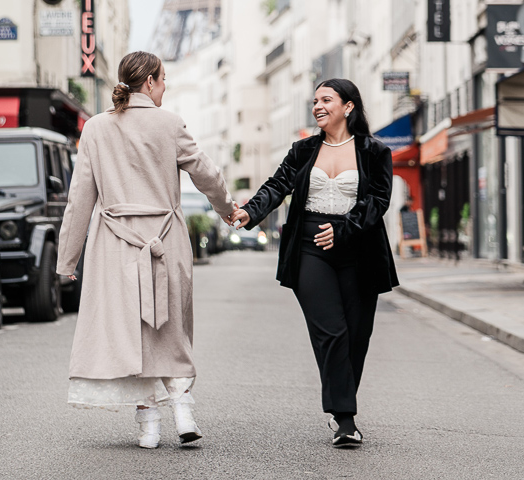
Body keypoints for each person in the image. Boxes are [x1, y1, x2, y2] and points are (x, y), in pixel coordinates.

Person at [56, 50, 237, 449]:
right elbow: (205, 171)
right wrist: (227, 209)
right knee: (170, 325)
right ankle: (183, 406)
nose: (166, 86)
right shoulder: (170, 124)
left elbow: (80, 197)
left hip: (114, 244)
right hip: (164, 238)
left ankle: (149, 427)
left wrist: (67, 258)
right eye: (164, 79)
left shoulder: (97, 129)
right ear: (150, 82)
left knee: (131, 332)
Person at [232, 78, 398, 447]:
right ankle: (345, 419)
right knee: (331, 331)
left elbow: (378, 200)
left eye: (326, 100)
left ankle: (343, 404)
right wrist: (249, 213)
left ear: (348, 106)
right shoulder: (304, 149)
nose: (317, 106)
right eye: (314, 101)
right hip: (309, 247)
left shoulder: (374, 151)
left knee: (357, 335)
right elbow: (277, 185)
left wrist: (345, 231)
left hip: (359, 249)